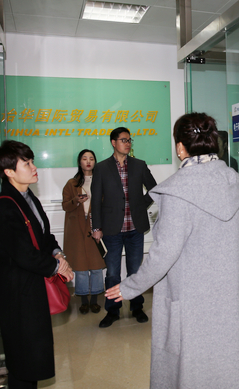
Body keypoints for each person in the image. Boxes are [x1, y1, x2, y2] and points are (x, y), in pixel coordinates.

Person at [105, 113, 239, 388]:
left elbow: (163, 255)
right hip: (228, 290)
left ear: (180, 147)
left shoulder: (179, 191)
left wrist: (130, 286)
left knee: (193, 369)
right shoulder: (236, 182)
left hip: (191, 297)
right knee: (226, 363)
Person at [0, 140, 74, 389]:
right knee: (23, 357)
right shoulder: (5, 205)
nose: (34, 167)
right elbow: (23, 253)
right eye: (26, 163)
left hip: (33, 285)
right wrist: (58, 267)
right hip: (18, 291)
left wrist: (58, 254)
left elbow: (43, 235)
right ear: (9, 172)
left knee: (32, 354)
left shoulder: (27, 197)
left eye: (32, 161)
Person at [91, 127, 157, 328]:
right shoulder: (101, 168)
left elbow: (154, 189)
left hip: (135, 228)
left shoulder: (139, 165)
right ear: (113, 143)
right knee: (112, 273)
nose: (127, 143)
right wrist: (96, 227)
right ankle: (112, 311)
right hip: (111, 229)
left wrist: (140, 205)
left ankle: (137, 307)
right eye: (123, 140)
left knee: (135, 271)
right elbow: (96, 200)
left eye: (129, 140)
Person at [62, 149, 105, 314]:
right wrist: (76, 201)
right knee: (80, 267)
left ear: (95, 162)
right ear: (79, 162)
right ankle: (83, 300)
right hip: (77, 228)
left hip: (95, 227)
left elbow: (106, 203)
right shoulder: (71, 183)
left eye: (91, 158)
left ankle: (94, 300)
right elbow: (65, 205)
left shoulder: (100, 180)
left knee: (96, 266)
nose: (88, 161)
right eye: (85, 158)